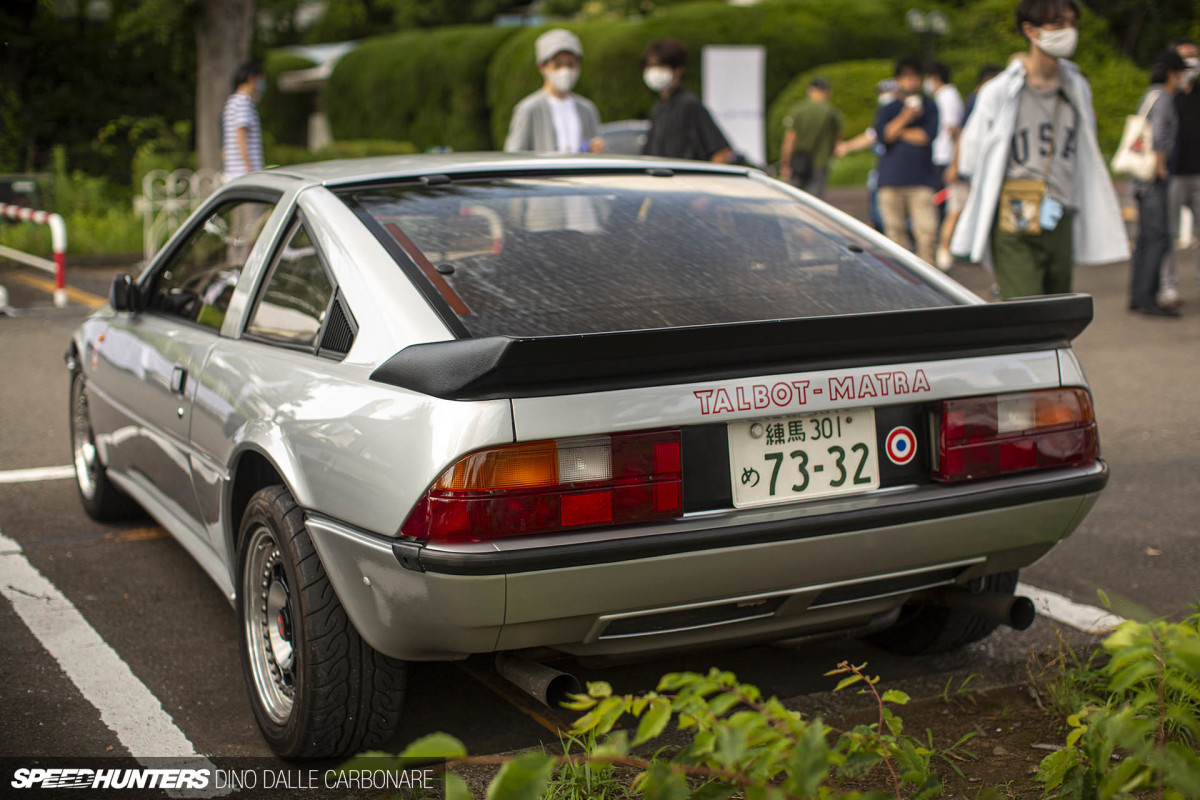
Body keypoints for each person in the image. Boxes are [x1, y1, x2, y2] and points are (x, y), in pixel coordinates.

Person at [952, 0, 1129, 299]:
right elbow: (971, 154)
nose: (1068, 32)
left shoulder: (1076, 87)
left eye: (1072, 24)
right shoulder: (1000, 91)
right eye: (1057, 24)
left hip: (1061, 212)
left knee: (1058, 309)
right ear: (1030, 30)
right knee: (1026, 308)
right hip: (1014, 214)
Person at [1128, 50, 1187, 316]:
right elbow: (1160, 133)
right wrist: (1162, 165)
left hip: (1139, 179)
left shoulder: (1149, 94)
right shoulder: (1163, 97)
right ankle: (1148, 298)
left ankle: (1138, 294)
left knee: (1145, 238)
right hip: (1152, 178)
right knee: (1157, 236)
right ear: (1173, 74)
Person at [874, 57, 939, 264]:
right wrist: (906, 117)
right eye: (905, 77)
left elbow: (926, 136)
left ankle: (930, 281)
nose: (910, 81)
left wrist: (898, 131)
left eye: (914, 76)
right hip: (890, 180)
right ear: (898, 80)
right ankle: (901, 283)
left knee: (927, 234)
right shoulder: (888, 107)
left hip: (921, 180)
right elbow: (884, 136)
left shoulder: (929, 106)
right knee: (894, 237)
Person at [939, 63, 1003, 271]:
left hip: (981, 169)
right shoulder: (979, 99)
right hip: (969, 169)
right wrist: (955, 164)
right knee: (957, 209)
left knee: (963, 210)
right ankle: (945, 251)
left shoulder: (984, 98)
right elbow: (961, 133)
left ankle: (960, 252)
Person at [504, 29, 605, 155]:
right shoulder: (529, 109)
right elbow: (514, 155)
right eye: (557, 65)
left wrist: (597, 149)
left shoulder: (587, 109)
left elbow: (596, 151)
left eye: (571, 64)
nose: (565, 71)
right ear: (542, 66)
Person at [641, 37, 733, 163]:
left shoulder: (689, 104)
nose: (655, 72)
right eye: (651, 66)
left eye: (661, 66)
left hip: (684, 180)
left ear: (678, 69)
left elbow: (721, 151)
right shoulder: (659, 107)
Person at [1159, 36, 1200, 309]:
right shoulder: (1166, 96)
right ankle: (1167, 287)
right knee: (1168, 234)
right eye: (1185, 58)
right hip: (1172, 175)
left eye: (1194, 57)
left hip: (1199, 173)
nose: (1191, 63)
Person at [837, 79, 899, 231]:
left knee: (887, 218)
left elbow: (871, 137)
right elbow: (871, 135)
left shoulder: (899, 113)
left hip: (895, 173)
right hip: (882, 171)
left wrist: (846, 147)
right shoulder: (883, 114)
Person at [926, 62, 965, 270]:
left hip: (944, 157)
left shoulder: (947, 95)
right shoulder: (945, 95)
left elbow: (952, 128)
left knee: (942, 205)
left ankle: (943, 249)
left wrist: (954, 161)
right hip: (940, 156)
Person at [780, 77, 843, 199]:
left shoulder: (798, 109)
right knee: (815, 203)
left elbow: (790, 139)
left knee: (794, 200)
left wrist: (785, 162)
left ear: (810, 90)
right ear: (826, 92)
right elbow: (836, 139)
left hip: (798, 162)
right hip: (820, 162)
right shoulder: (831, 112)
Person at [221, 63, 265, 179]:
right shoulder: (243, 102)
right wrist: (249, 168)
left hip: (234, 171)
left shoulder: (232, 101)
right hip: (244, 172)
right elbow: (241, 136)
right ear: (252, 78)